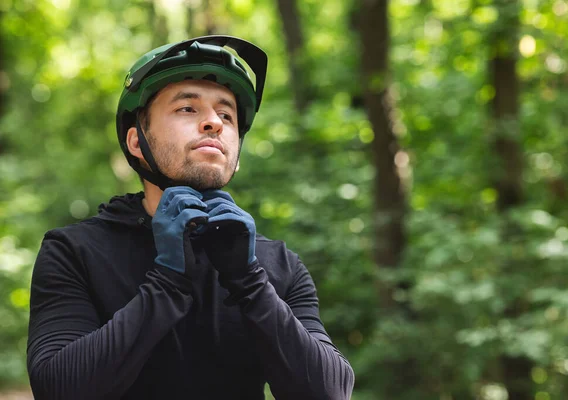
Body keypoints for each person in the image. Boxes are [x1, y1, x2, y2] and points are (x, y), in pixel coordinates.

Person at [26, 36, 354, 399]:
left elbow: (330, 393)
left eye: (226, 115)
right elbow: (57, 388)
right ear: (137, 142)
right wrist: (167, 280)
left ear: (237, 154)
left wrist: (249, 283)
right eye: (188, 109)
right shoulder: (74, 251)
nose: (214, 122)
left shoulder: (278, 264)